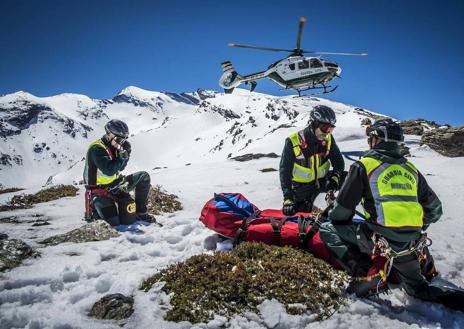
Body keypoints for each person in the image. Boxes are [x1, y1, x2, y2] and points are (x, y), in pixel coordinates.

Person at [319, 118, 463, 309]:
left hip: (378, 241)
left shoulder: (364, 166)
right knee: (419, 290)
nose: (369, 141)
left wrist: (335, 217)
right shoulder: (411, 170)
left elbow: (341, 213)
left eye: (371, 137)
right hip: (410, 245)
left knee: (328, 228)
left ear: (377, 139)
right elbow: (435, 209)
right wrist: (415, 226)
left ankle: (366, 272)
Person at [83, 119, 156, 226]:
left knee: (143, 176)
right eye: (119, 139)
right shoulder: (97, 149)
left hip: (116, 186)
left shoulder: (114, 146)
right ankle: (94, 212)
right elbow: (109, 170)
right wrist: (122, 157)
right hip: (98, 191)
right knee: (115, 223)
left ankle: (141, 212)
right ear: (109, 134)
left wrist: (126, 155)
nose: (120, 142)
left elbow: (120, 168)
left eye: (123, 140)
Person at [279, 105, 345, 215]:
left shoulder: (328, 139)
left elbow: (338, 162)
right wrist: (287, 199)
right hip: (301, 188)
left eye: (331, 129)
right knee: (301, 216)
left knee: (353, 180)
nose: (327, 132)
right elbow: (284, 171)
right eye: (325, 128)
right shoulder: (293, 141)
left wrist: (334, 179)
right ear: (314, 124)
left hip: (324, 181)